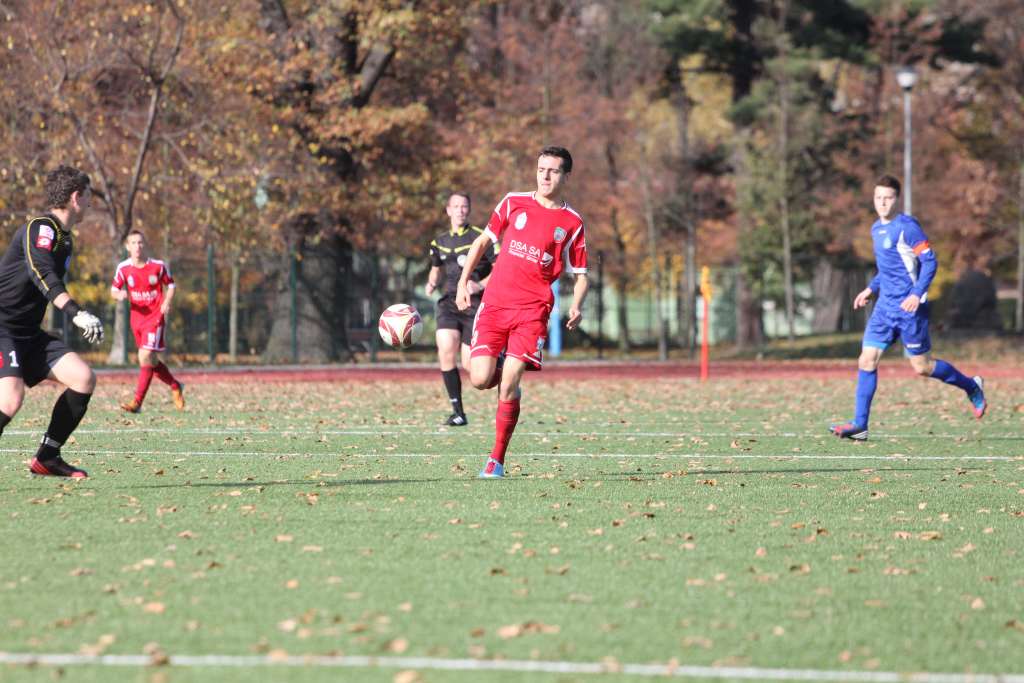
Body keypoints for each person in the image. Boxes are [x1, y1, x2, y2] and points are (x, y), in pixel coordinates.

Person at [456, 146, 589, 478]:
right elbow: (482, 243)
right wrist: (463, 282)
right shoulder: (513, 202)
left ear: (565, 176)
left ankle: (496, 460)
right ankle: (507, 379)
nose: (545, 176)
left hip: (533, 310)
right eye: (541, 169)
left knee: (509, 381)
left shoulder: (572, 222)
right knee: (479, 378)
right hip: (495, 304)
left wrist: (576, 304)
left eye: (553, 171)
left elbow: (581, 275)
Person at [831, 175, 986, 440]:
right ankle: (860, 425)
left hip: (910, 309)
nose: (882, 203)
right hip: (884, 308)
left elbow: (930, 262)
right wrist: (870, 289)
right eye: (878, 197)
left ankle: (972, 386)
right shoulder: (876, 229)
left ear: (896, 199)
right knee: (866, 359)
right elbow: (887, 269)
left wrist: (917, 294)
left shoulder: (907, 227)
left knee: (922, 367)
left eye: (888, 198)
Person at [0, 165, 105, 478]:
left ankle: (48, 456)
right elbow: (42, 275)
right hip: (2, 327)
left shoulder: (65, 239)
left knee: (83, 378)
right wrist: (76, 312)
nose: (90, 203)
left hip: (27, 333)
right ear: (76, 197)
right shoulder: (40, 228)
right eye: (88, 197)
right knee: (11, 397)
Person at [425, 192, 496, 426]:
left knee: (470, 366)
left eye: (464, 206)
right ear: (448, 210)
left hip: (474, 305)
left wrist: (480, 285)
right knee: (445, 348)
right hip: (449, 303)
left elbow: (499, 270)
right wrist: (431, 282)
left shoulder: (481, 238)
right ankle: (458, 412)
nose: (460, 210)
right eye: (455, 206)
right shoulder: (439, 242)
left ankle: (503, 368)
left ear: (469, 209)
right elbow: (436, 268)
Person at [111, 230, 184, 412]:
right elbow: (113, 290)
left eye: (140, 243)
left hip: (155, 317)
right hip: (137, 320)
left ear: (145, 245)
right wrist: (119, 294)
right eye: (134, 243)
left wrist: (167, 301)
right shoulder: (123, 268)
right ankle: (175, 385)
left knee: (144, 356)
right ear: (128, 247)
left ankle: (137, 402)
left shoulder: (158, 266)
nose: (138, 246)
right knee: (149, 359)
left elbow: (171, 285)